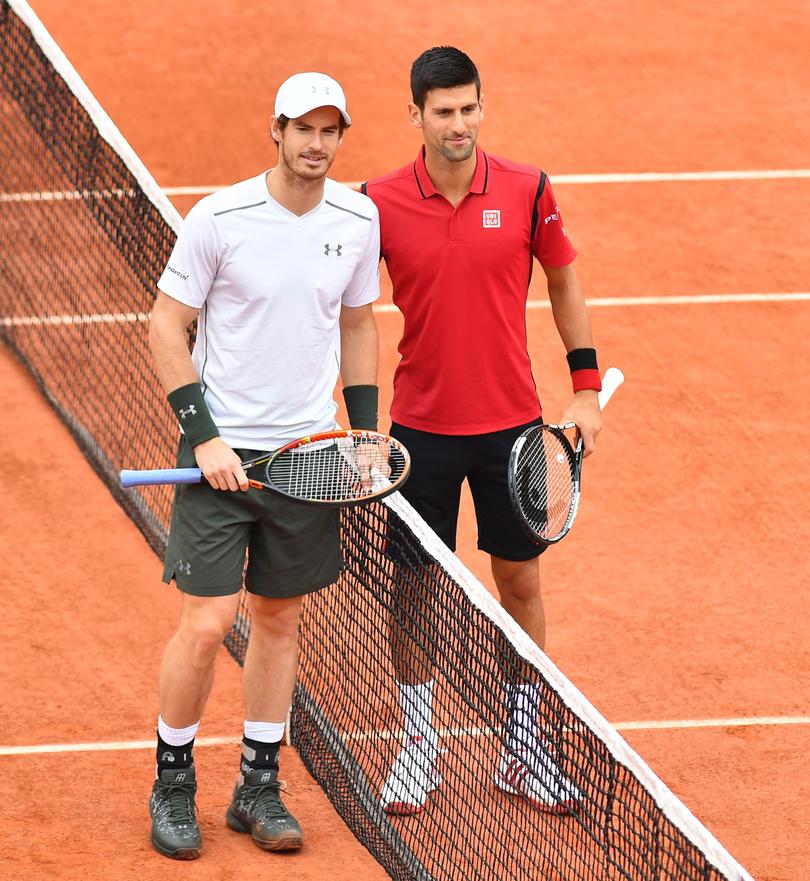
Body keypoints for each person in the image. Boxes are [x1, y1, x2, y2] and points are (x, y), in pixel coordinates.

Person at [362, 47, 603, 816]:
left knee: (521, 583)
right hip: (419, 433)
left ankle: (522, 745)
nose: (459, 124)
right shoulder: (378, 202)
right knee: (414, 585)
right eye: (443, 111)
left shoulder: (529, 189)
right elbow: (347, 314)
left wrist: (588, 389)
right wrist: (364, 426)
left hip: (513, 428)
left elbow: (563, 280)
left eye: (469, 108)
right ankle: (418, 743)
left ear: (481, 106)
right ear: (416, 116)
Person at [147, 71, 381, 860]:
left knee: (279, 622)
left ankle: (258, 785)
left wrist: (366, 432)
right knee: (209, 622)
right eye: (302, 128)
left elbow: (358, 324)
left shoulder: (357, 219)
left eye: (329, 131)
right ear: (274, 130)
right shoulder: (220, 218)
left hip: (308, 456)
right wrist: (205, 436)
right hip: (220, 454)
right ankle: (173, 781)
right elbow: (166, 327)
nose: (316, 144)